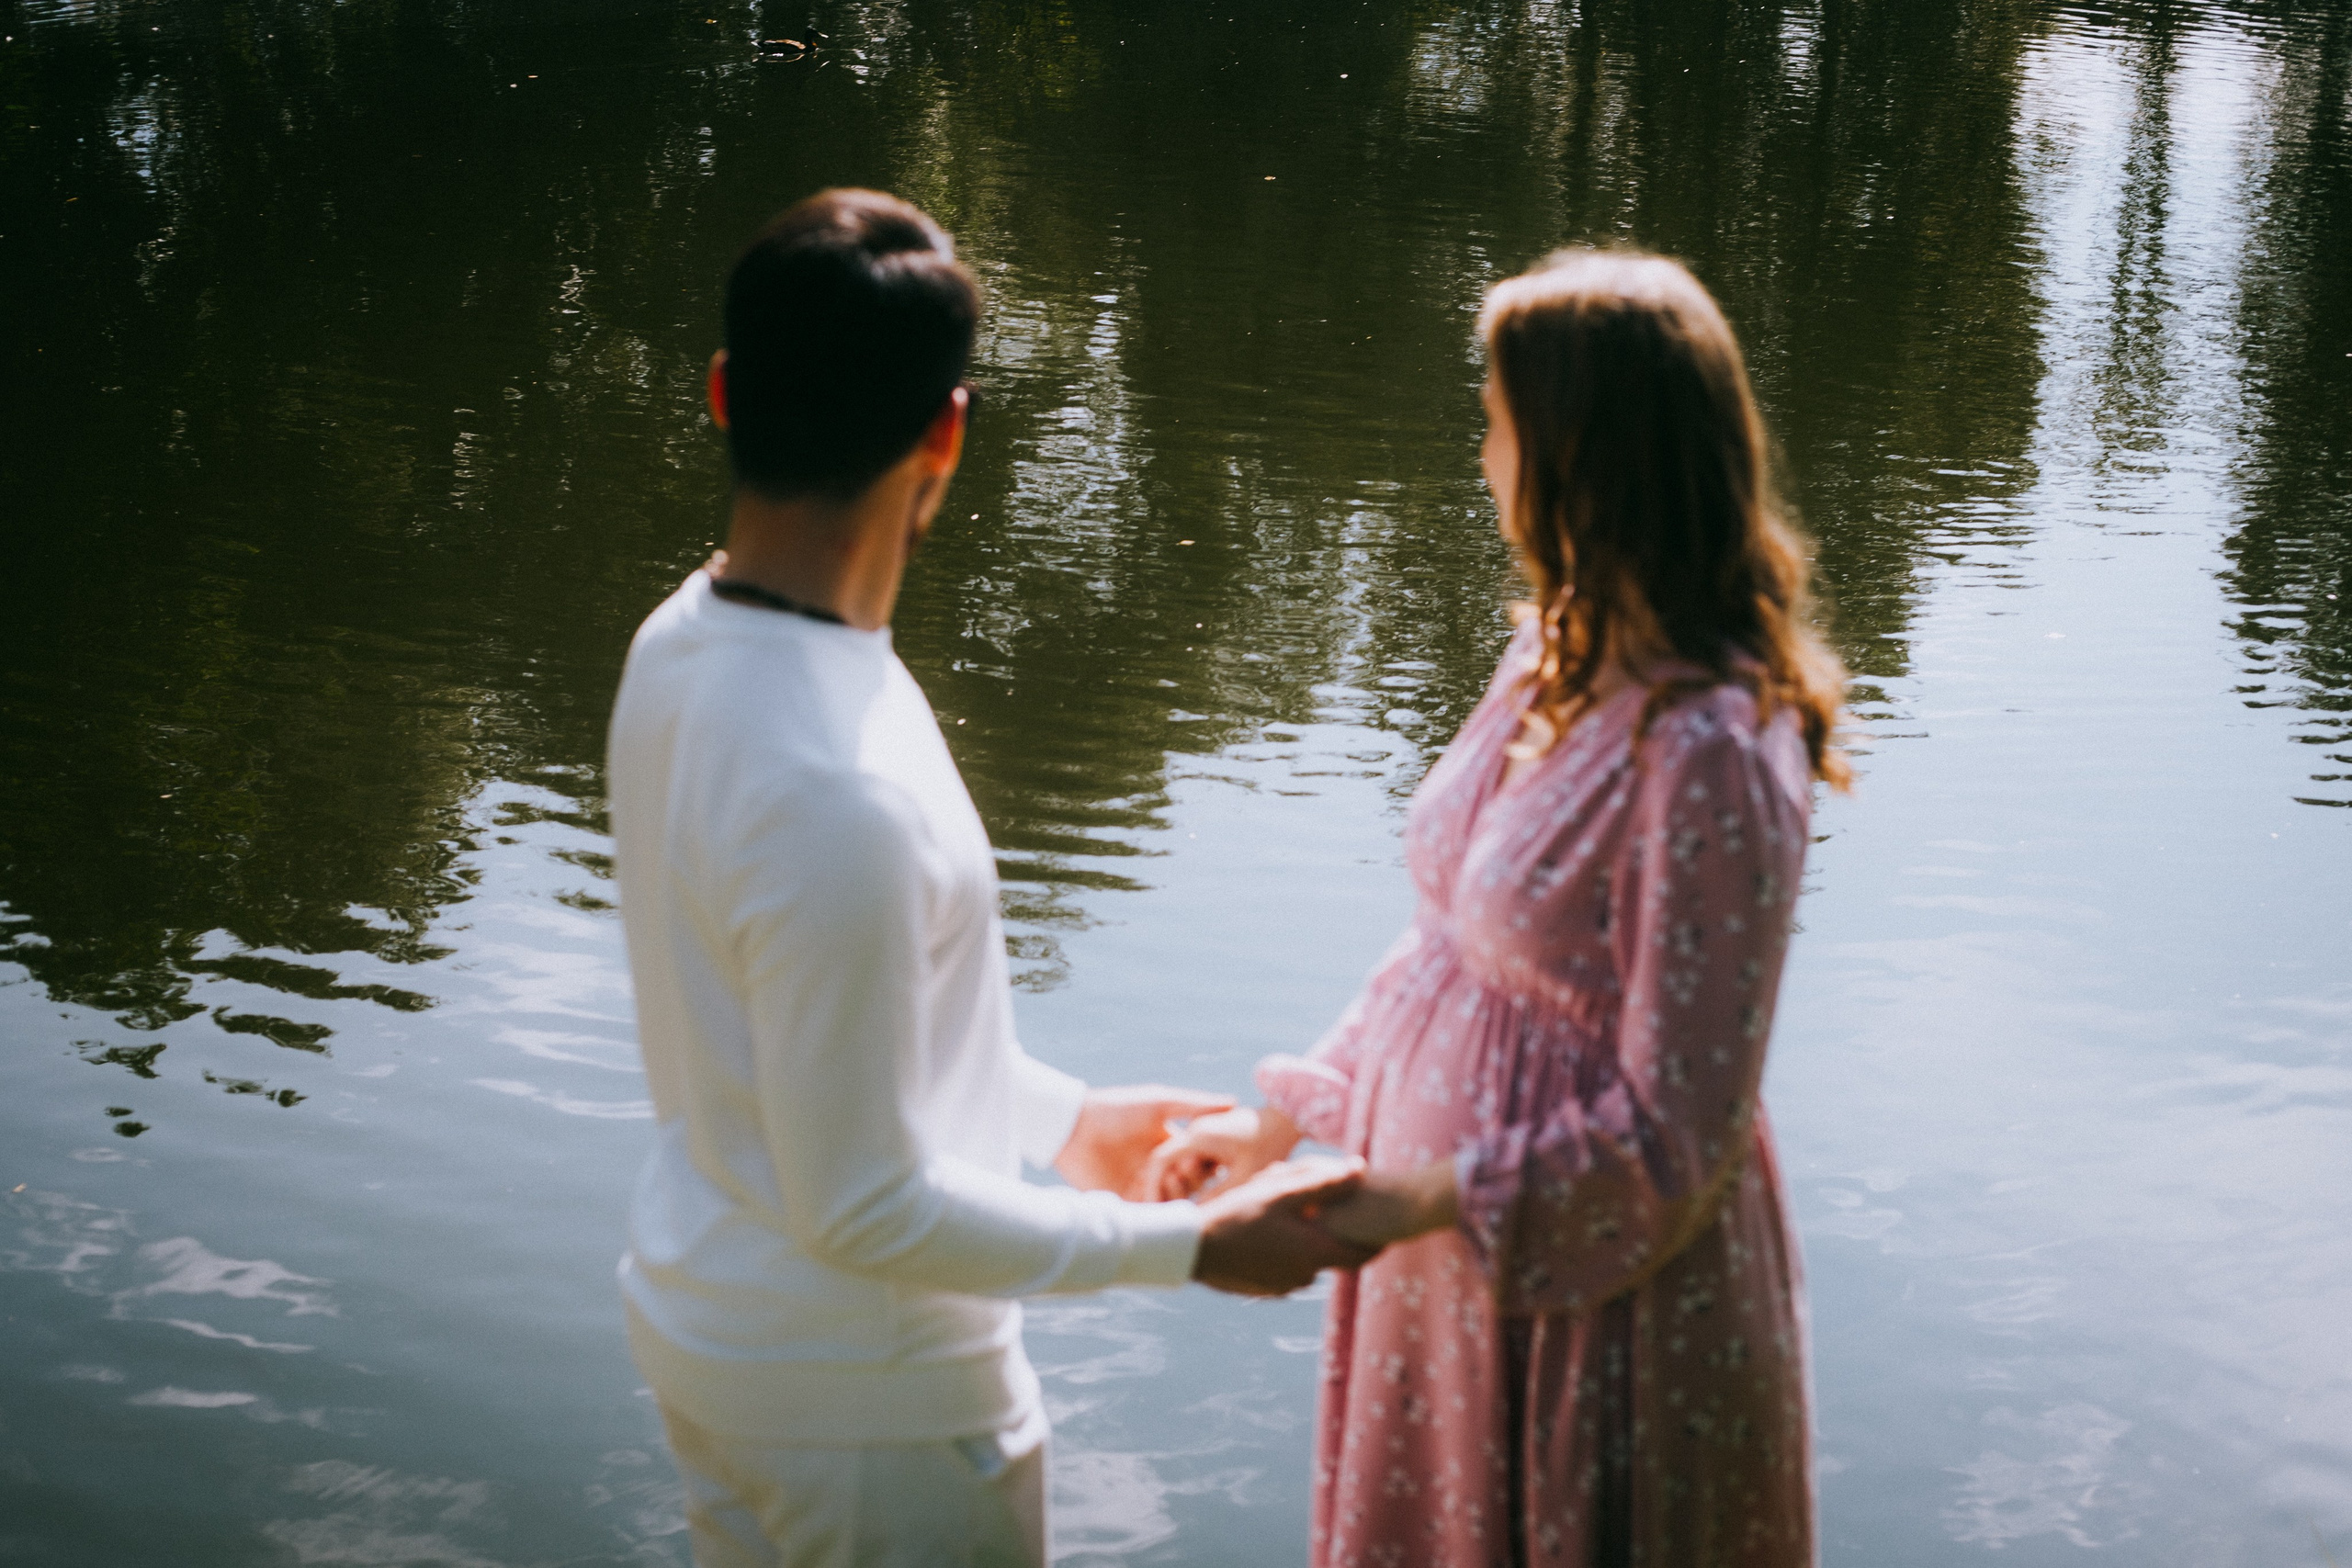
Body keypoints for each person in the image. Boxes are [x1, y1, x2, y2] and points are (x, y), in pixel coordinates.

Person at [604, 188, 1374, 1568]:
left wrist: (1065, 1117)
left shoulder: (681, 644)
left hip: (721, 1353)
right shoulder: (843, 794)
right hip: (879, 1431)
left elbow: (816, 1049)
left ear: (724, 393)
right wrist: (1183, 1250)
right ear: (946, 434)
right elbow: (866, 1204)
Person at [1147, 249, 1848, 1566]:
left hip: (1598, 1309)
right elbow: (1450, 951)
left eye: (1498, 424)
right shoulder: (1549, 655)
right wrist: (1283, 1120)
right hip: (1445, 1279)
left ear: (1587, 459)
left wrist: (1417, 1199)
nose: (1482, 456)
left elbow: (1673, 1142)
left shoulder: (1712, 748)